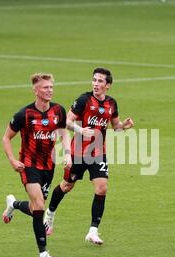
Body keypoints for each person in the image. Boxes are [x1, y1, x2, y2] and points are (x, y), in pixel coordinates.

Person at [43, 67, 134, 245]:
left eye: (100, 81)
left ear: (108, 85)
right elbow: (66, 121)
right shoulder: (84, 99)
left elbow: (115, 126)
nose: (96, 84)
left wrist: (124, 126)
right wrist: (80, 129)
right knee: (67, 186)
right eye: (94, 80)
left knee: (102, 188)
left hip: (99, 153)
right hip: (78, 152)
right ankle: (50, 213)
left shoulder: (112, 104)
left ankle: (93, 231)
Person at [1, 73, 71, 257]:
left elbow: (64, 131)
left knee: (35, 209)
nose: (50, 90)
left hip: (48, 166)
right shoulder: (23, 114)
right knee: (39, 206)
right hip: (29, 165)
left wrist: (67, 153)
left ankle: (13, 204)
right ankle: (44, 255)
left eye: (51, 87)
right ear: (36, 90)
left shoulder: (58, 110)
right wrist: (13, 160)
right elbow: (6, 138)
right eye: (45, 87)